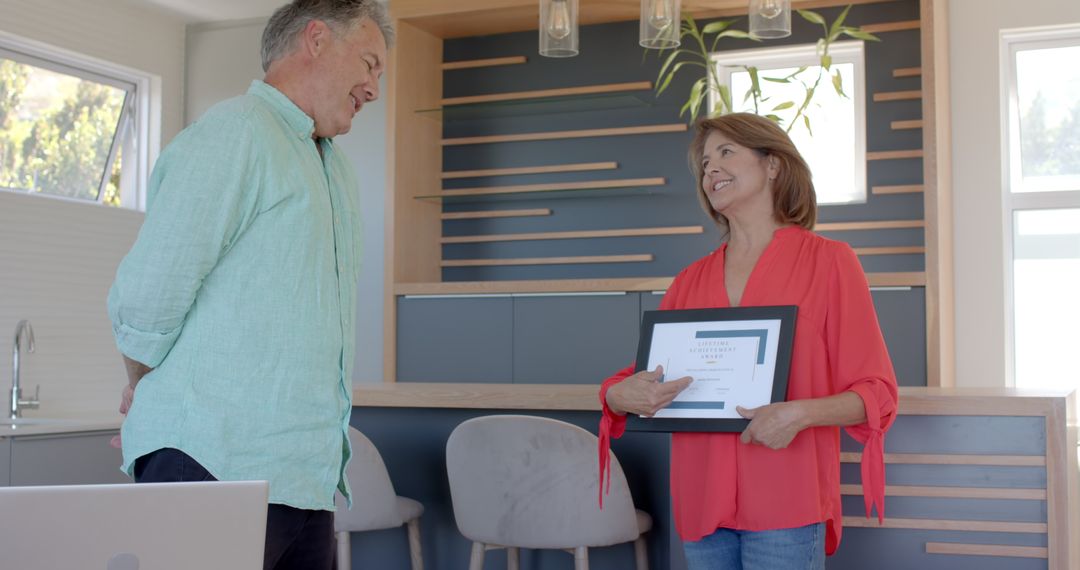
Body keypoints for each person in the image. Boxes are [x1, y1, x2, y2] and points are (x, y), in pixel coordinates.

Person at [106, 1, 392, 568]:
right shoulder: (236, 132)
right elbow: (149, 293)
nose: (374, 88)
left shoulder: (334, 168)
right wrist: (142, 379)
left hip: (301, 479)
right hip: (211, 464)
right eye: (369, 64)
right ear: (315, 40)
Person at [598, 113, 899, 569]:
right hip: (702, 504)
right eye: (703, 163)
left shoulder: (831, 264)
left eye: (725, 153)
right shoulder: (689, 281)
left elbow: (876, 394)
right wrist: (619, 394)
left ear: (773, 165)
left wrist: (799, 414)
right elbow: (642, 376)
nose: (710, 170)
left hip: (787, 500)